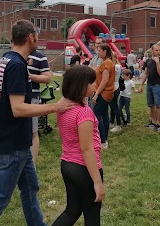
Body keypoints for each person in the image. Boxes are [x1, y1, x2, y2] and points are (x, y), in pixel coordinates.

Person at [0, 20, 73, 226]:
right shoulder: (18, 66)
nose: (37, 38)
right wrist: (56, 107)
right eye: (36, 35)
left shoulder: (2, 62)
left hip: (17, 143)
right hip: (13, 145)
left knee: (29, 189)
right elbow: (18, 109)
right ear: (30, 37)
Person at [52, 65, 106, 225]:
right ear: (81, 86)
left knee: (72, 211)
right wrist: (97, 182)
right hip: (84, 168)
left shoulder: (63, 106)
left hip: (67, 165)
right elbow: (86, 148)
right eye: (91, 83)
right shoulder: (84, 112)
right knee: (92, 216)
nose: (95, 86)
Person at [28, 49, 51, 164]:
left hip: (32, 97)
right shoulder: (13, 55)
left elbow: (47, 78)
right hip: (14, 97)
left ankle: (32, 164)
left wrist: (29, 76)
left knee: (33, 131)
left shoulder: (40, 57)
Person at [137, 45, 160, 132]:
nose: (158, 52)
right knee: (151, 105)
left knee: (158, 105)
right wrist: (141, 85)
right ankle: (153, 122)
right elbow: (145, 73)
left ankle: (158, 123)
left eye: (159, 50)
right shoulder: (148, 61)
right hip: (149, 85)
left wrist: (157, 62)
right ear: (152, 51)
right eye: (156, 50)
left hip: (157, 85)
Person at [92, 44, 115, 149]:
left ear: (105, 51)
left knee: (96, 115)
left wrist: (96, 94)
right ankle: (104, 139)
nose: (98, 52)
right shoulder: (106, 63)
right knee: (105, 115)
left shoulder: (107, 64)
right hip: (105, 93)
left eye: (100, 50)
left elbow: (105, 81)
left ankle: (102, 140)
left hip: (103, 93)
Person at [109, 52, 123, 133]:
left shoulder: (117, 66)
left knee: (115, 106)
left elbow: (113, 75)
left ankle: (118, 124)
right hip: (112, 87)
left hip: (115, 87)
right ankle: (111, 121)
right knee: (112, 106)